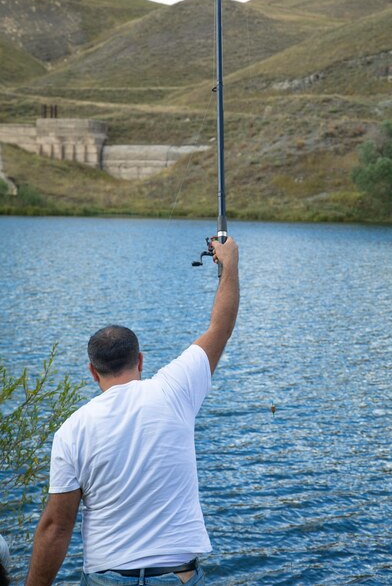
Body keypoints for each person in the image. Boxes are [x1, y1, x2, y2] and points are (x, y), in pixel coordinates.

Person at [25, 237, 239, 586]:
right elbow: (221, 327)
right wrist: (229, 263)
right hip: (178, 577)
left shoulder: (71, 431)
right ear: (140, 361)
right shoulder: (174, 390)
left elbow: (55, 528)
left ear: (93, 372)